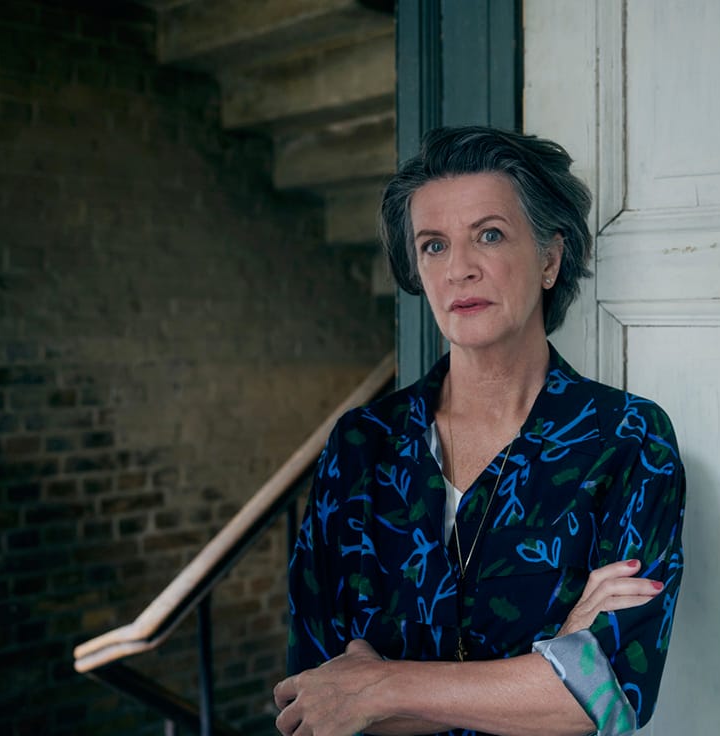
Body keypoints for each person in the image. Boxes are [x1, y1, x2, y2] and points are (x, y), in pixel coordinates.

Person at [274, 126, 685, 736]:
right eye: (434, 245)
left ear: (549, 259)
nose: (458, 270)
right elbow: (313, 704)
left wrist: (381, 686)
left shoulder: (627, 440)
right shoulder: (360, 447)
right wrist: (548, 667)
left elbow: (607, 695)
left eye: (489, 235)